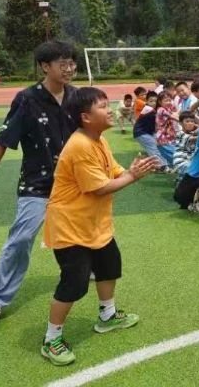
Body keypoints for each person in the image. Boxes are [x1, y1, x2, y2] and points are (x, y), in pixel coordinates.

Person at [40, 87, 158, 365]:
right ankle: (51, 339)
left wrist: (130, 171)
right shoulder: (80, 145)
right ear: (86, 117)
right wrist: (132, 176)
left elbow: (113, 170)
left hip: (94, 224)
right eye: (103, 106)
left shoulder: (98, 139)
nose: (111, 109)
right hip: (71, 228)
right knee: (74, 283)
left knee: (109, 266)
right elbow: (99, 188)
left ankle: (107, 315)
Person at [0, 40, 78, 321]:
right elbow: (4, 140)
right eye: (62, 64)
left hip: (74, 183)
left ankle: (85, 269)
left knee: (83, 230)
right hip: (37, 184)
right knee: (21, 238)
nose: (69, 69)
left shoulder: (77, 97)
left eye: (72, 63)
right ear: (45, 66)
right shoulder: (27, 99)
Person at [155, 91, 179, 169]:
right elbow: (174, 117)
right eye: (166, 101)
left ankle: (177, 168)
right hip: (163, 138)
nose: (169, 102)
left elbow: (176, 110)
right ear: (160, 102)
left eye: (170, 100)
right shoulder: (161, 110)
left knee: (175, 155)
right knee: (175, 155)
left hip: (169, 137)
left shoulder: (168, 108)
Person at [173, 111, 199, 180]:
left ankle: (180, 181)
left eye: (192, 121)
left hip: (189, 160)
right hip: (181, 161)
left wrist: (198, 127)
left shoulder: (192, 133)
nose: (190, 123)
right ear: (180, 123)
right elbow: (194, 138)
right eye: (187, 121)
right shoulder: (180, 134)